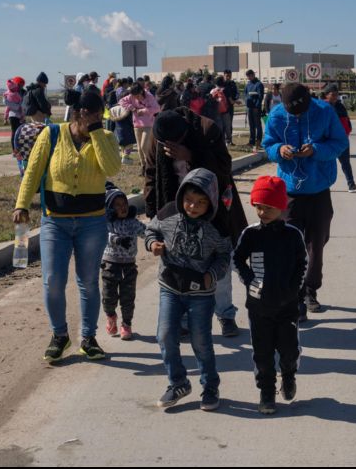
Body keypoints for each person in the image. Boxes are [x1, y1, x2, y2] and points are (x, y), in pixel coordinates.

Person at [12, 88, 122, 363]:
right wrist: (21, 205)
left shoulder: (106, 137)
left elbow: (111, 169)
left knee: (88, 282)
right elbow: (33, 171)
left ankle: (88, 338)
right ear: (76, 113)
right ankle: (59, 335)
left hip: (92, 223)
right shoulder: (51, 134)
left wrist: (97, 132)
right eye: (89, 117)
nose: (94, 122)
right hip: (55, 222)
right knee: (52, 281)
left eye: (99, 116)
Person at [150, 108, 249, 336]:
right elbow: (150, 173)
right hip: (177, 213)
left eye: (176, 142)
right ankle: (184, 321)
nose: (169, 146)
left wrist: (190, 156)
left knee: (218, 267)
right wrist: (155, 214)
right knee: (180, 268)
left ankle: (225, 315)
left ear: (185, 133)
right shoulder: (159, 135)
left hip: (213, 211)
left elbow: (224, 167)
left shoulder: (207, 129)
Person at [145, 168, 232, 411]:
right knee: (164, 335)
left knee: (200, 341)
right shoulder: (169, 212)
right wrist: (153, 244)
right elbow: (151, 229)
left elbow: (225, 254)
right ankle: (178, 382)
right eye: (189, 200)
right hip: (169, 287)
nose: (192, 207)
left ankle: (210, 386)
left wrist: (212, 274)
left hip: (200, 295)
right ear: (181, 195)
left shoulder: (218, 224)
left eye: (200, 202)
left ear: (211, 202)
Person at [261, 83, 349, 322]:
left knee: (316, 245)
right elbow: (267, 144)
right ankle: (295, 298)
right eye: (293, 112)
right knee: (290, 247)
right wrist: (281, 149)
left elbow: (340, 143)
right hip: (289, 193)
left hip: (319, 189)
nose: (297, 115)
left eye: (301, 111)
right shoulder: (277, 115)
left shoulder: (325, 111)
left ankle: (310, 289)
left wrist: (316, 150)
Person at [233, 175, 307, 414]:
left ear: (282, 207)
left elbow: (302, 264)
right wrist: (249, 280)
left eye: (269, 207)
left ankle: (288, 375)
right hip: (258, 307)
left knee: (288, 350)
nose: (263, 212)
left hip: (287, 307)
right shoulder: (251, 234)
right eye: (259, 207)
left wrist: (293, 290)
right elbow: (237, 259)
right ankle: (266, 391)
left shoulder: (293, 235)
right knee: (262, 353)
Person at [102, 186, 147, 340]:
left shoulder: (133, 223)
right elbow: (104, 236)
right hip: (110, 266)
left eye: (125, 204)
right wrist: (117, 239)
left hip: (129, 267)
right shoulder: (108, 224)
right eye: (118, 205)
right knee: (109, 298)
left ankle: (126, 324)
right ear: (110, 208)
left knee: (128, 299)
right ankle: (111, 316)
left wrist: (156, 237)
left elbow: (145, 232)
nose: (123, 208)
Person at [322, 84, 356, 192]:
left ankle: (351, 185)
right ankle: (323, 187)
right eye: (333, 94)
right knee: (326, 163)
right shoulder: (323, 107)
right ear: (326, 95)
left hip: (342, 140)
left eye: (337, 94)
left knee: (346, 163)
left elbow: (346, 120)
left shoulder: (340, 106)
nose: (335, 96)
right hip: (329, 141)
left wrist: (348, 129)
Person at [119, 82, 161, 175]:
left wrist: (144, 110)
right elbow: (121, 101)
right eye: (134, 96)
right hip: (137, 125)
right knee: (139, 148)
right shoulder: (132, 96)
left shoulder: (149, 96)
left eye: (137, 95)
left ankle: (151, 165)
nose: (136, 98)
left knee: (144, 146)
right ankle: (143, 167)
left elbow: (157, 108)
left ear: (141, 91)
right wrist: (132, 108)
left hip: (148, 124)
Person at [244, 70, 265, 151]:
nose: (249, 78)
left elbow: (260, 96)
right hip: (249, 107)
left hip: (256, 108)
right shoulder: (248, 84)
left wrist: (257, 105)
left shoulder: (259, 84)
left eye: (250, 76)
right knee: (251, 125)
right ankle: (251, 141)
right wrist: (246, 102)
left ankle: (258, 142)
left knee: (257, 125)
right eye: (248, 77)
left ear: (253, 75)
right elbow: (245, 94)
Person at [4, 77, 25, 150]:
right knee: (14, 132)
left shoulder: (23, 92)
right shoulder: (9, 93)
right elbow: (7, 105)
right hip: (13, 115)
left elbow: (23, 104)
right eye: (19, 85)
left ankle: (20, 148)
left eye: (22, 85)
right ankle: (14, 149)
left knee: (21, 133)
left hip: (20, 115)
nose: (21, 86)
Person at [222, 70, 240, 145]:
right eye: (227, 76)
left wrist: (235, 98)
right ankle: (223, 141)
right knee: (223, 124)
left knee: (229, 124)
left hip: (230, 106)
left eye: (230, 75)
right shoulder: (222, 84)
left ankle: (229, 140)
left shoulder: (232, 83)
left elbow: (237, 93)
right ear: (224, 75)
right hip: (222, 107)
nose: (228, 77)